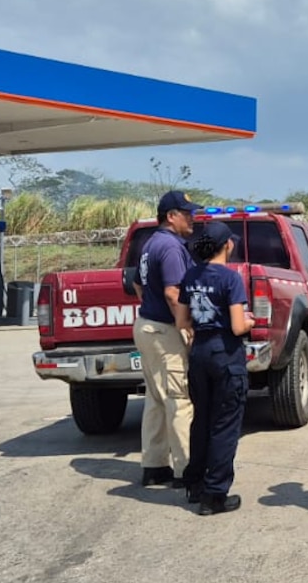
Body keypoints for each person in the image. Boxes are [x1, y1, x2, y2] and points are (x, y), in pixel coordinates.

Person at [175, 221, 254, 515]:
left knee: (202, 421)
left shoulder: (190, 276)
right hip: (225, 355)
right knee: (225, 426)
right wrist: (250, 322)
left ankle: (194, 485)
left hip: (199, 353)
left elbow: (182, 321)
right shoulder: (230, 279)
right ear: (228, 246)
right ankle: (215, 494)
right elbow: (236, 326)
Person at [131, 190, 202, 488]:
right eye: (187, 214)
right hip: (164, 331)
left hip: (146, 326)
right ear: (171, 216)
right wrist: (186, 328)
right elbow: (174, 294)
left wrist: (151, 305)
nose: (193, 219)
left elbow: (136, 281)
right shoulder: (172, 247)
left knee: (156, 399)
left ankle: (153, 465)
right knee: (179, 401)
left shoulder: (151, 243)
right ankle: (185, 469)